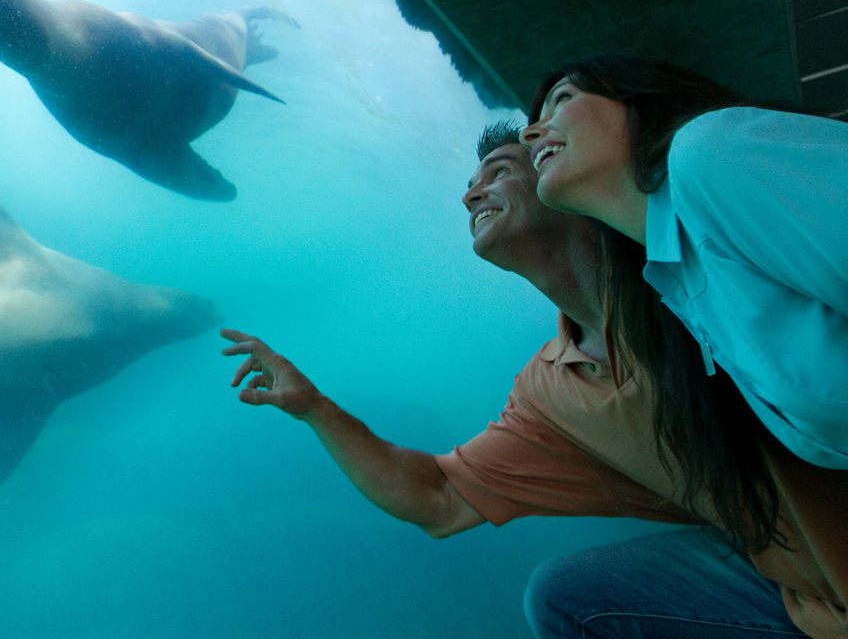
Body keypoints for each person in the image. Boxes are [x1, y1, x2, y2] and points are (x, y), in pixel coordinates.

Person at [222, 121, 847, 638]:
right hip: (815, 600)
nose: (470, 196)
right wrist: (314, 408)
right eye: (469, 186)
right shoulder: (550, 390)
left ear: (559, 178)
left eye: (498, 171)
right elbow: (436, 501)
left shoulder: (689, 263)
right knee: (564, 596)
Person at [519, 54, 848, 470]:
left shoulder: (709, 154)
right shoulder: (671, 279)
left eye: (562, 99)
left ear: (637, 97)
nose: (531, 133)